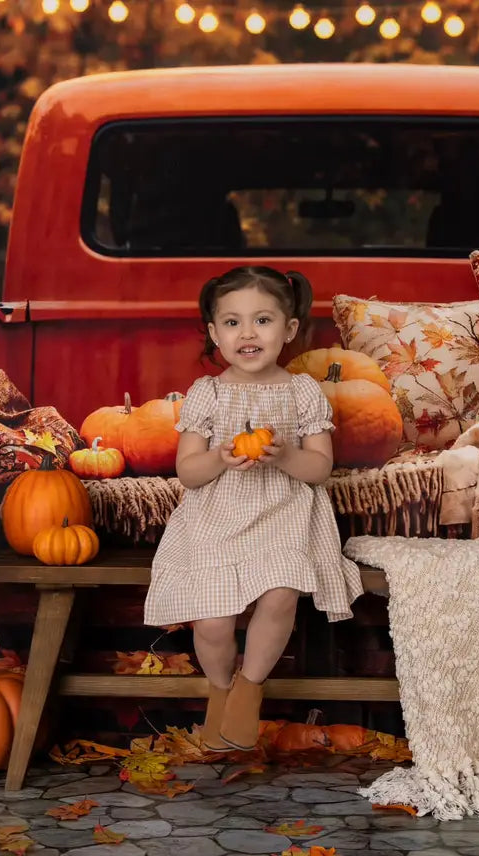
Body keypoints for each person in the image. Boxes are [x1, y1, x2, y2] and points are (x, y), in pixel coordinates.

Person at [143, 265, 363, 752]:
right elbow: (188, 472)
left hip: (283, 513)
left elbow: (319, 468)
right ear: (214, 333)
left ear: (288, 330)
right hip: (216, 518)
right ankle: (221, 688)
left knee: (281, 593)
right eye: (232, 322)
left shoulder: (302, 391)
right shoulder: (207, 393)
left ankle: (249, 688)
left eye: (262, 320)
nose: (247, 333)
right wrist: (219, 459)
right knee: (212, 622)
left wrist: (284, 456)